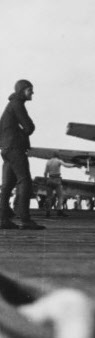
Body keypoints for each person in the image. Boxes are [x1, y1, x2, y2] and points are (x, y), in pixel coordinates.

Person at [0, 79, 44, 230]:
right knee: (25, 181)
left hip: (6, 149)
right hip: (15, 149)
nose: (32, 92)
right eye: (29, 89)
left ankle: (2, 219)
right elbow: (29, 126)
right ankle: (25, 219)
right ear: (21, 90)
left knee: (7, 185)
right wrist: (21, 136)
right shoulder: (17, 104)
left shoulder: (9, 106)